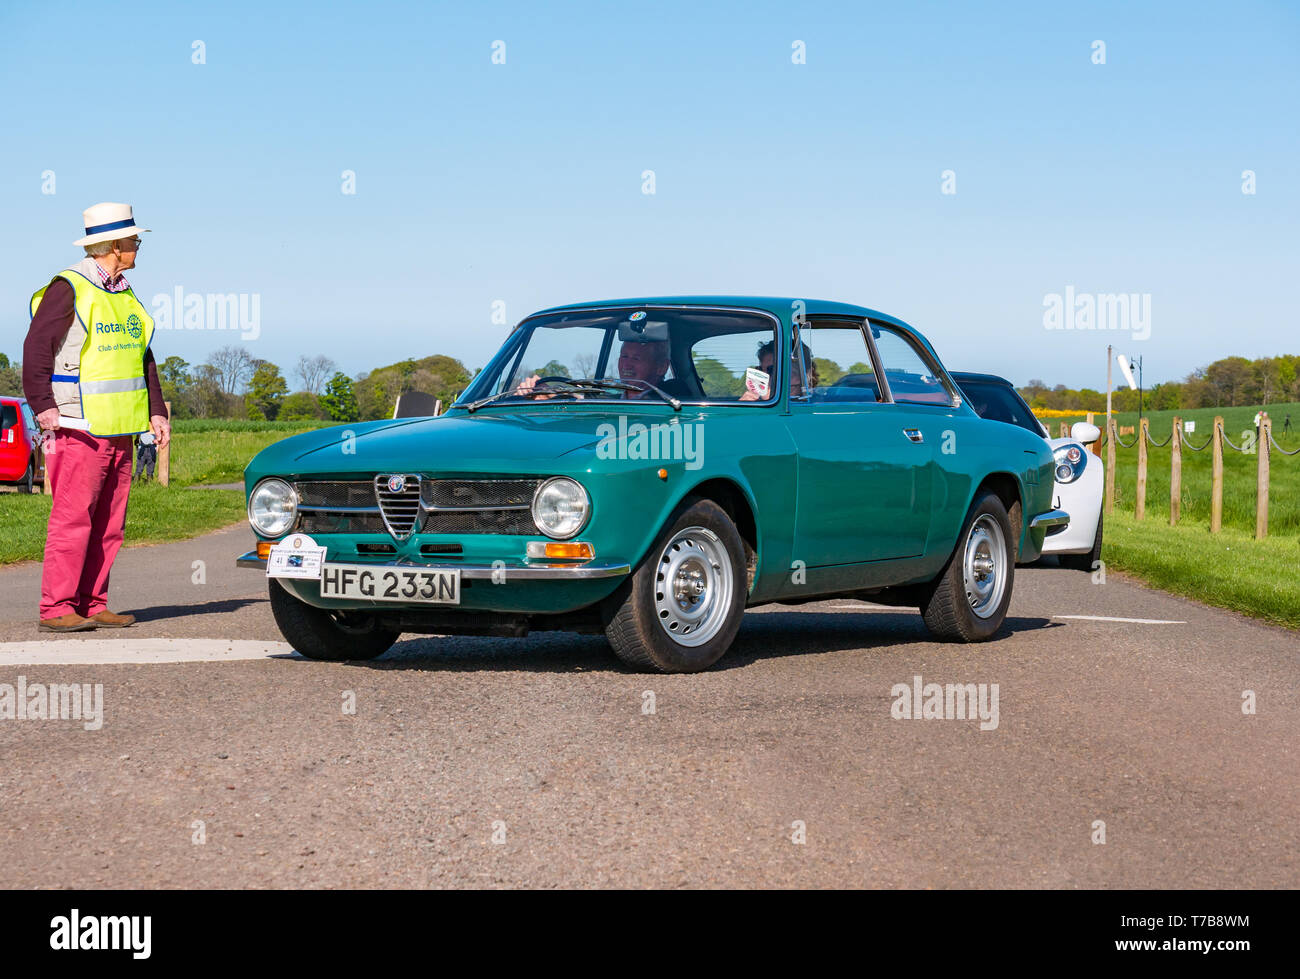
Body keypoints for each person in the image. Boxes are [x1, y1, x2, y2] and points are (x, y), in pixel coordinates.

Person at [23, 203, 170, 633]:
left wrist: (156, 411)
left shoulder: (123, 292)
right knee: (73, 519)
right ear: (112, 245)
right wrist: (42, 406)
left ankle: (92, 602)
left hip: (120, 427)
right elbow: (36, 347)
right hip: (77, 426)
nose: (137, 245)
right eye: (132, 240)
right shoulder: (69, 286)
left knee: (109, 522)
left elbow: (142, 357)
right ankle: (57, 608)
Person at [740, 339, 818, 400]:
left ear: (806, 376)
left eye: (775, 371)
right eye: (761, 371)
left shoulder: (816, 408)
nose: (768, 379)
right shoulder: (755, 403)